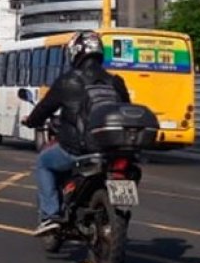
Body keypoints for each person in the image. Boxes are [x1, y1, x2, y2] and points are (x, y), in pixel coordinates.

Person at [21, 31, 130, 236]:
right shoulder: (116, 81)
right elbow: (125, 110)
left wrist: (31, 121)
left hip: (78, 149)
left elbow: (43, 109)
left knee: (44, 162)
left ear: (75, 52)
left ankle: (50, 215)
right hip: (112, 150)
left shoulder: (68, 81)